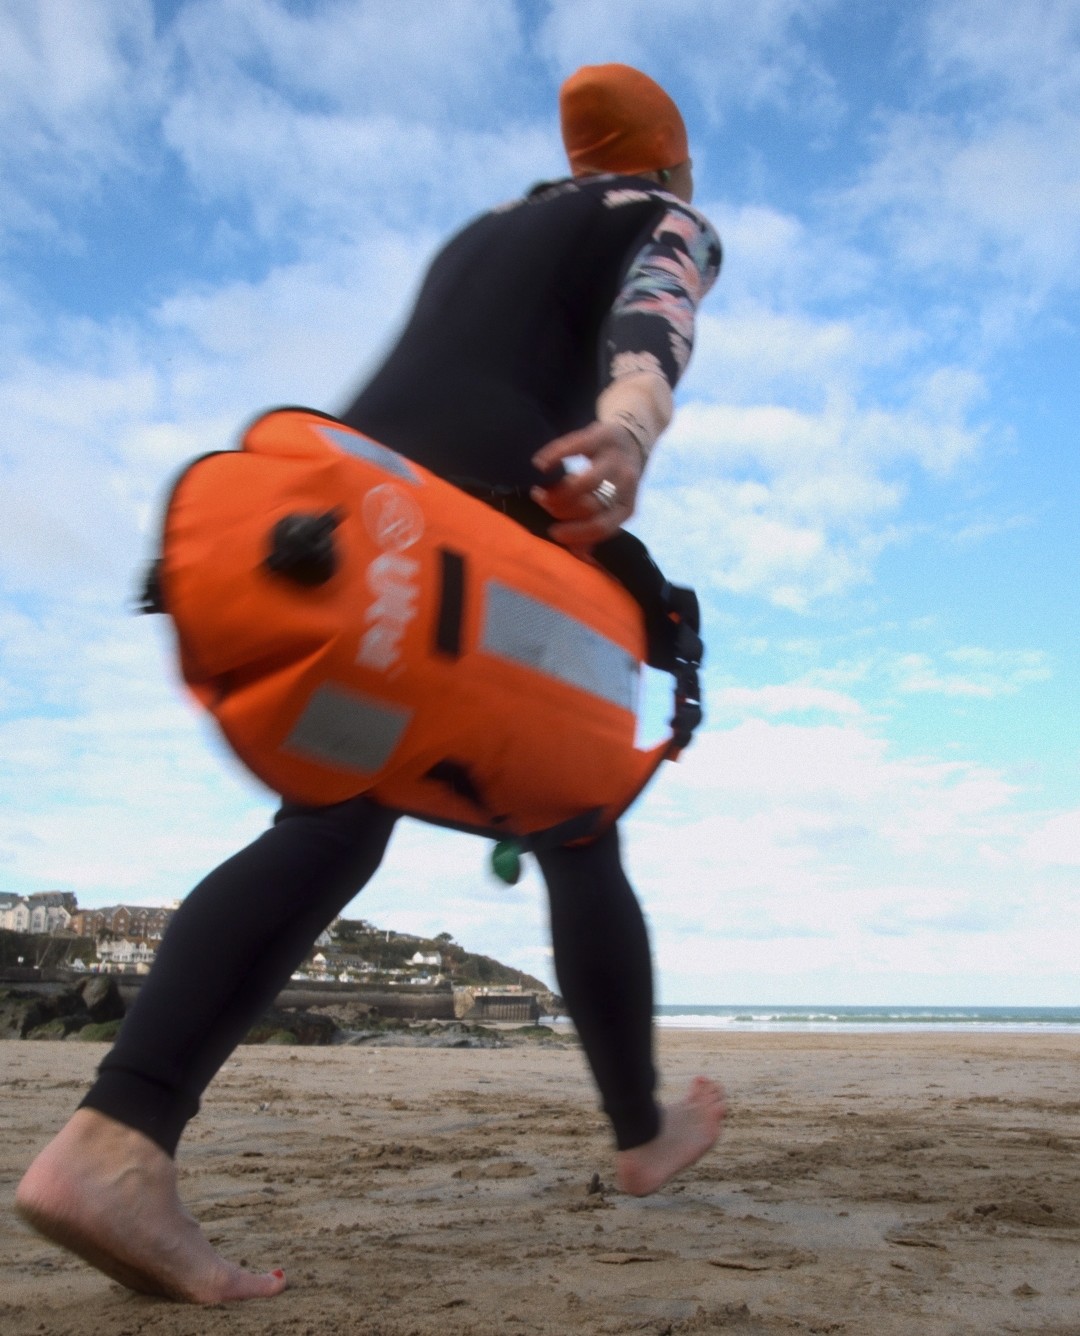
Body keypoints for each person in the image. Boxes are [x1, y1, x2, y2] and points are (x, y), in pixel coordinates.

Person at [16, 63, 725, 1304]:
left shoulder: (488, 232)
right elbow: (657, 307)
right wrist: (629, 420)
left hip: (348, 513)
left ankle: (121, 1135)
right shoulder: (658, 211)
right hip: (472, 525)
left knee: (337, 815)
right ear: (666, 165)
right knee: (579, 816)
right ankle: (641, 1133)